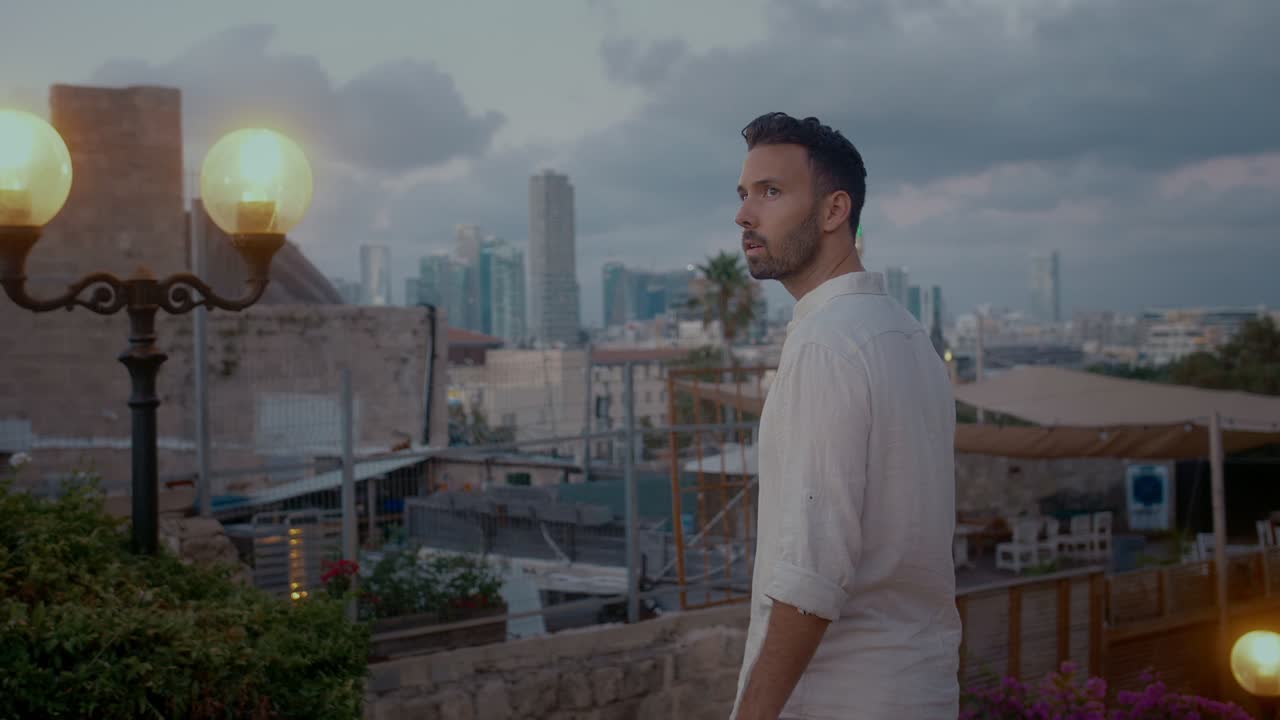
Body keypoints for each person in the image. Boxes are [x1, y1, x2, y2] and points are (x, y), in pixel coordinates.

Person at [729, 112, 961, 719]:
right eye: (744, 194)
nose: (744, 216)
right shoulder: (909, 337)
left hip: (839, 698)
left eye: (771, 192)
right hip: (919, 690)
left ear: (835, 211)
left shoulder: (826, 345)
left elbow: (811, 575)